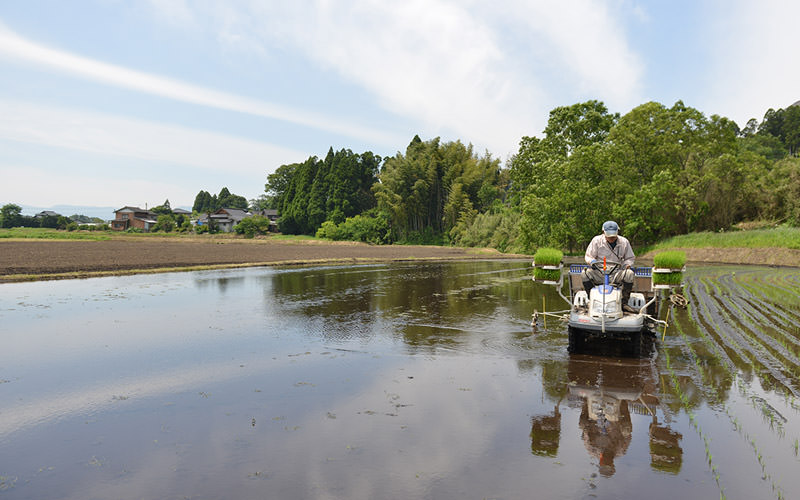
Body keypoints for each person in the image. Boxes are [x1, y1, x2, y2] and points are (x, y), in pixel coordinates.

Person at [582, 221, 636, 313]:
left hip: (617, 272)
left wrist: (626, 265)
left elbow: (630, 258)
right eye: (609, 236)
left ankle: (624, 303)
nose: (611, 238)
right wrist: (592, 261)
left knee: (629, 274)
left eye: (613, 235)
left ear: (617, 232)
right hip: (600, 272)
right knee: (585, 273)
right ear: (603, 232)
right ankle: (591, 300)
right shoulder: (596, 240)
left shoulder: (624, 242)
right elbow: (588, 256)